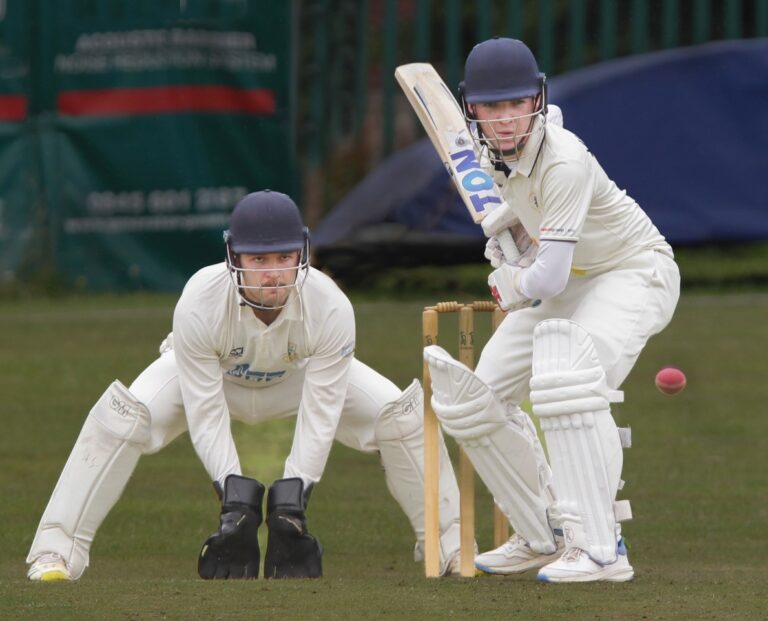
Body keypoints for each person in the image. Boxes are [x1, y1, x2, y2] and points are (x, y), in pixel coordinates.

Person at [27, 190, 462, 581]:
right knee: (121, 418)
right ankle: (56, 552)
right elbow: (204, 408)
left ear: (302, 253)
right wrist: (233, 494)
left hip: (297, 378)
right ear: (234, 257)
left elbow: (322, 408)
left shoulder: (330, 306)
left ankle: (450, 545)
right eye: (258, 260)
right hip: (210, 380)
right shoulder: (200, 299)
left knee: (402, 415)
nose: (272, 275)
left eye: (283, 258)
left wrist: (294, 496)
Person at [423, 37, 680, 583]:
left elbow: (545, 279)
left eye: (517, 103)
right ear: (473, 109)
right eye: (494, 107)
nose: (508, 118)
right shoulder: (485, 154)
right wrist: (511, 237)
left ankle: (602, 547)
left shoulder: (564, 159)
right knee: (475, 401)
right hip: (570, 280)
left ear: (536, 99)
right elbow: (530, 232)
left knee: (571, 382)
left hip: (631, 271)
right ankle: (545, 532)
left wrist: (507, 283)